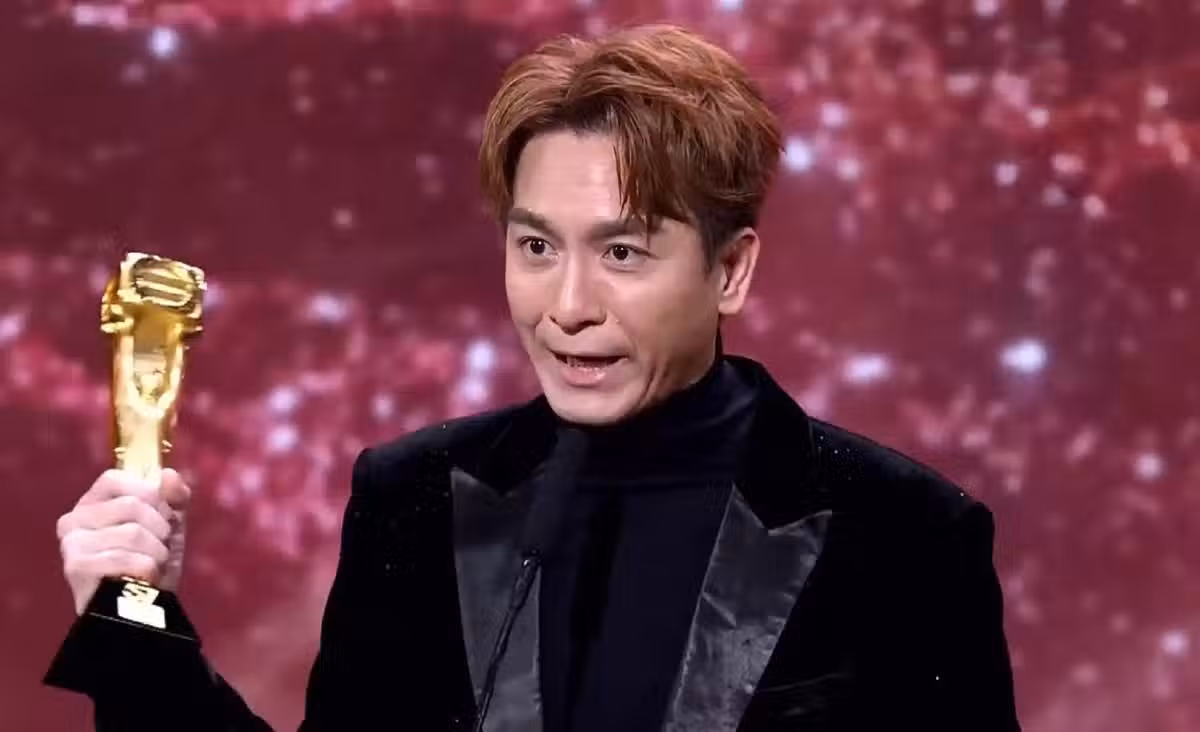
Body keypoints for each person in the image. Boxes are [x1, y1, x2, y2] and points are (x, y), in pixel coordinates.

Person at [53, 23, 1022, 732]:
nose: (567, 306)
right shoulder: (414, 497)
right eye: (536, 246)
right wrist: (134, 611)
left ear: (731, 270)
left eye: (623, 253)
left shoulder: (906, 533)